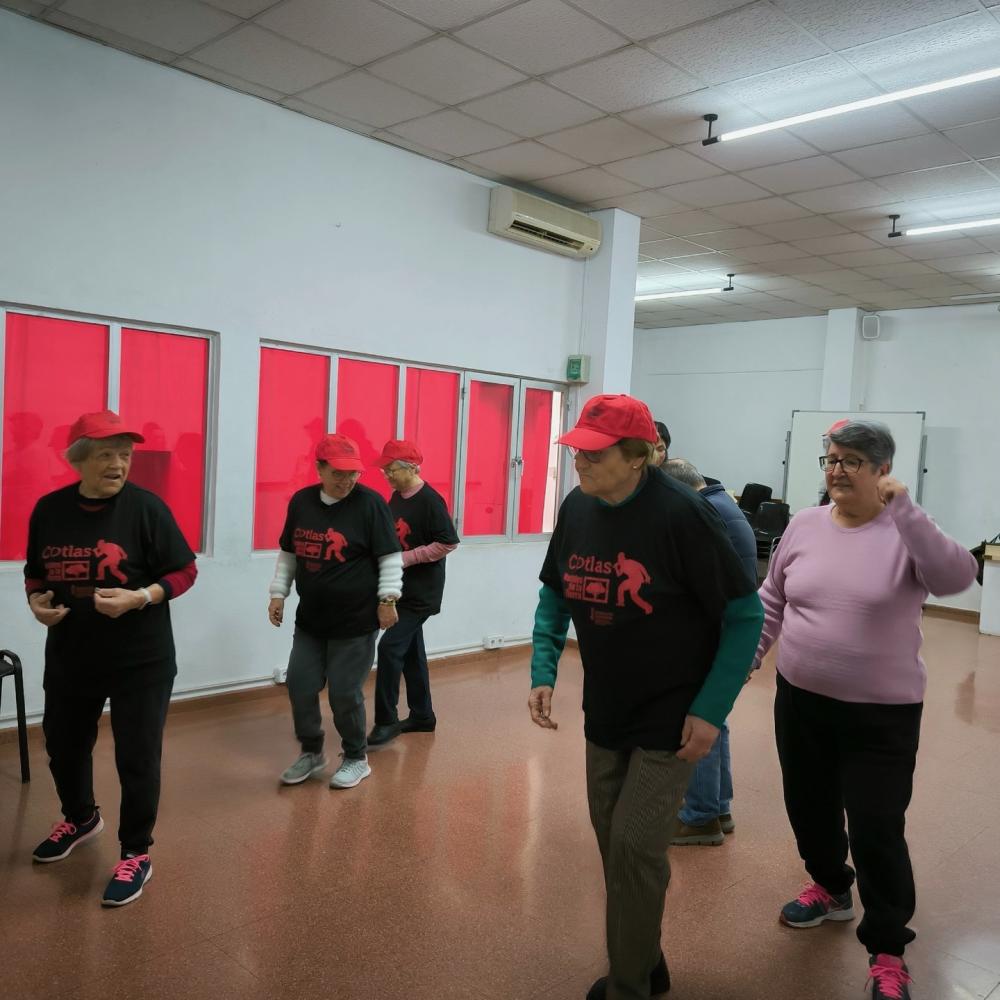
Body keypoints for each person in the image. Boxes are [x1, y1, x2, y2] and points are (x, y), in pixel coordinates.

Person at [528, 394, 764, 1000]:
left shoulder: (683, 515)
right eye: (576, 451)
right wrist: (543, 667)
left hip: (673, 709)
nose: (578, 463)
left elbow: (743, 616)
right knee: (613, 843)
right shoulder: (578, 507)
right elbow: (557, 592)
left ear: (638, 457)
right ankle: (649, 959)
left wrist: (711, 711)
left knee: (636, 846)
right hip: (606, 704)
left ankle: (628, 985)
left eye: (594, 453)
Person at [756, 420, 977, 1000]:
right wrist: (744, 663)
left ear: (883, 471)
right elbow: (772, 600)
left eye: (853, 460)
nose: (836, 470)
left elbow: (959, 577)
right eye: (831, 459)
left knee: (877, 825)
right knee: (808, 806)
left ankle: (886, 949)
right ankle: (831, 888)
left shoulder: (907, 532)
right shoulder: (804, 524)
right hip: (800, 701)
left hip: (882, 712)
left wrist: (906, 510)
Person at [24, 410, 197, 907]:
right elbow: (37, 574)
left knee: (137, 756)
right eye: (106, 454)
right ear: (79, 460)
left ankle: (136, 852)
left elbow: (183, 571)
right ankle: (81, 819)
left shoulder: (147, 509)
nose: (118, 463)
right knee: (63, 744)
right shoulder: (49, 509)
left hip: (140, 658)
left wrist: (142, 597)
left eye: (125, 454)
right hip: (71, 652)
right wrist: (37, 605)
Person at [268, 433, 402, 790]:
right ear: (319, 469)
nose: (347, 481)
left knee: (344, 692)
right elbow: (289, 553)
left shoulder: (370, 505)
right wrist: (278, 594)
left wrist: (388, 600)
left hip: (356, 621)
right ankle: (312, 752)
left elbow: (390, 557)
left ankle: (357, 757)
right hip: (311, 620)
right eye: (338, 473)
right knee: (299, 684)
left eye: (353, 474)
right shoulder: (301, 502)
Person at [662, 458, 758, 847]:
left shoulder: (706, 514)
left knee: (697, 719)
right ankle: (718, 807)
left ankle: (700, 817)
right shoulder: (724, 504)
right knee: (715, 722)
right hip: (723, 630)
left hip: (712, 633)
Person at [367, 440, 459, 747]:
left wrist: (406, 558)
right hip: (400, 590)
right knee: (411, 654)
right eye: (385, 470)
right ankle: (422, 715)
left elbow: (447, 543)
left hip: (422, 593)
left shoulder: (431, 501)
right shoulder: (397, 496)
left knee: (390, 648)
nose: (387, 476)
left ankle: (386, 720)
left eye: (391, 470)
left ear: (412, 468)